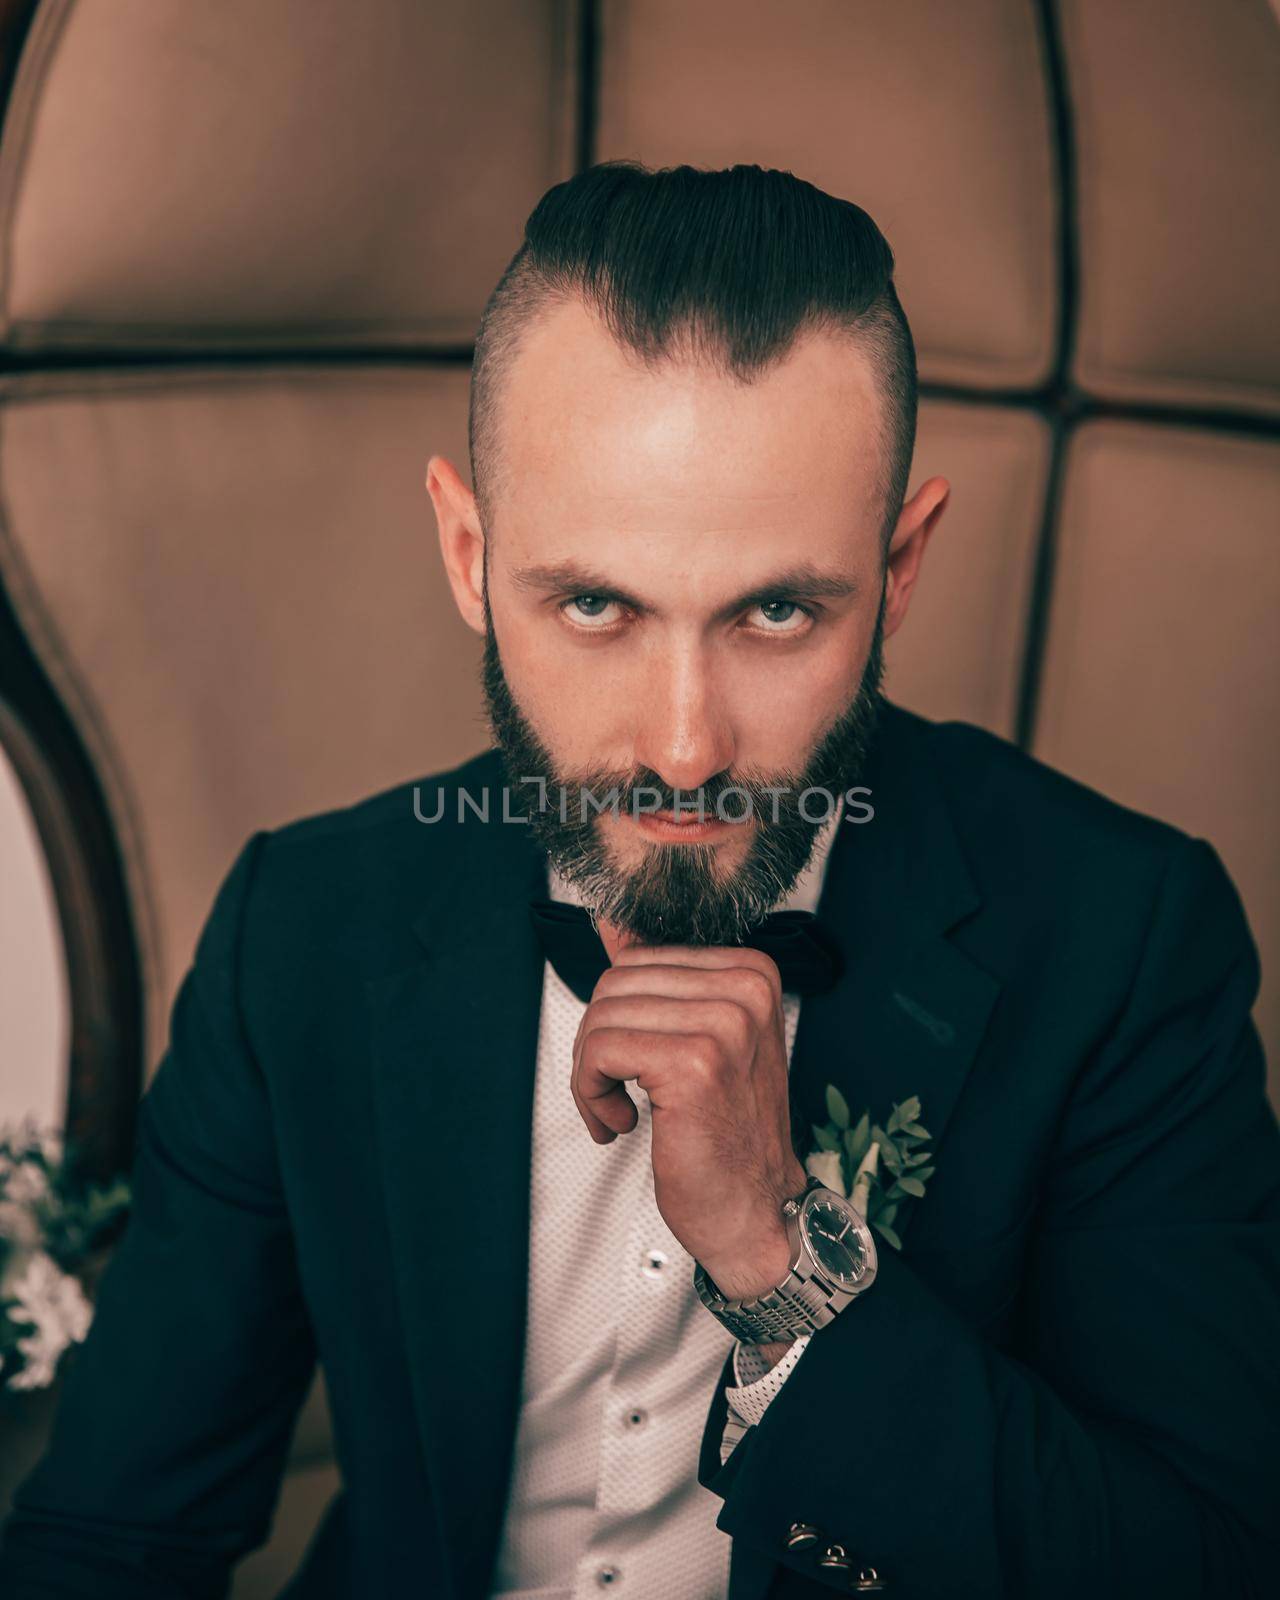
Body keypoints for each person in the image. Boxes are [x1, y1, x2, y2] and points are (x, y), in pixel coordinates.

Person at [1, 160, 1276, 1600]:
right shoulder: (302, 928)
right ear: (470, 555)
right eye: (596, 605)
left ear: (900, 566)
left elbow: (1210, 1566)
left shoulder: (1125, 937)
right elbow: (110, 1538)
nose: (684, 748)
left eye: (778, 611)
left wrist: (779, 1255)